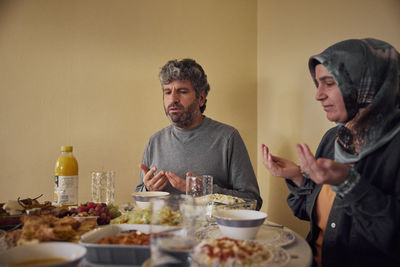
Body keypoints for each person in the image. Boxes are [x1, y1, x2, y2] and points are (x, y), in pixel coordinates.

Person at [261, 38, 400, 267]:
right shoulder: (335, 138)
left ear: (366, 84)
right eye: (318, 83)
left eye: (329, 83)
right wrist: (296, 176)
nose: (318, 95)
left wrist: (349, 184)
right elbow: (317, 216)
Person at [136, 58, 262, 210]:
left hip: (213, 232)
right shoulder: (155, 141)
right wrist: (148, 191)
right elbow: (139, 198)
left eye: (182, 91)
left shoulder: (228, 138)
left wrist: (205, 191)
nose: (173, 99)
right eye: (167, 92)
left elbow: (253, 202)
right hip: (162, 231)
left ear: (201, 98)